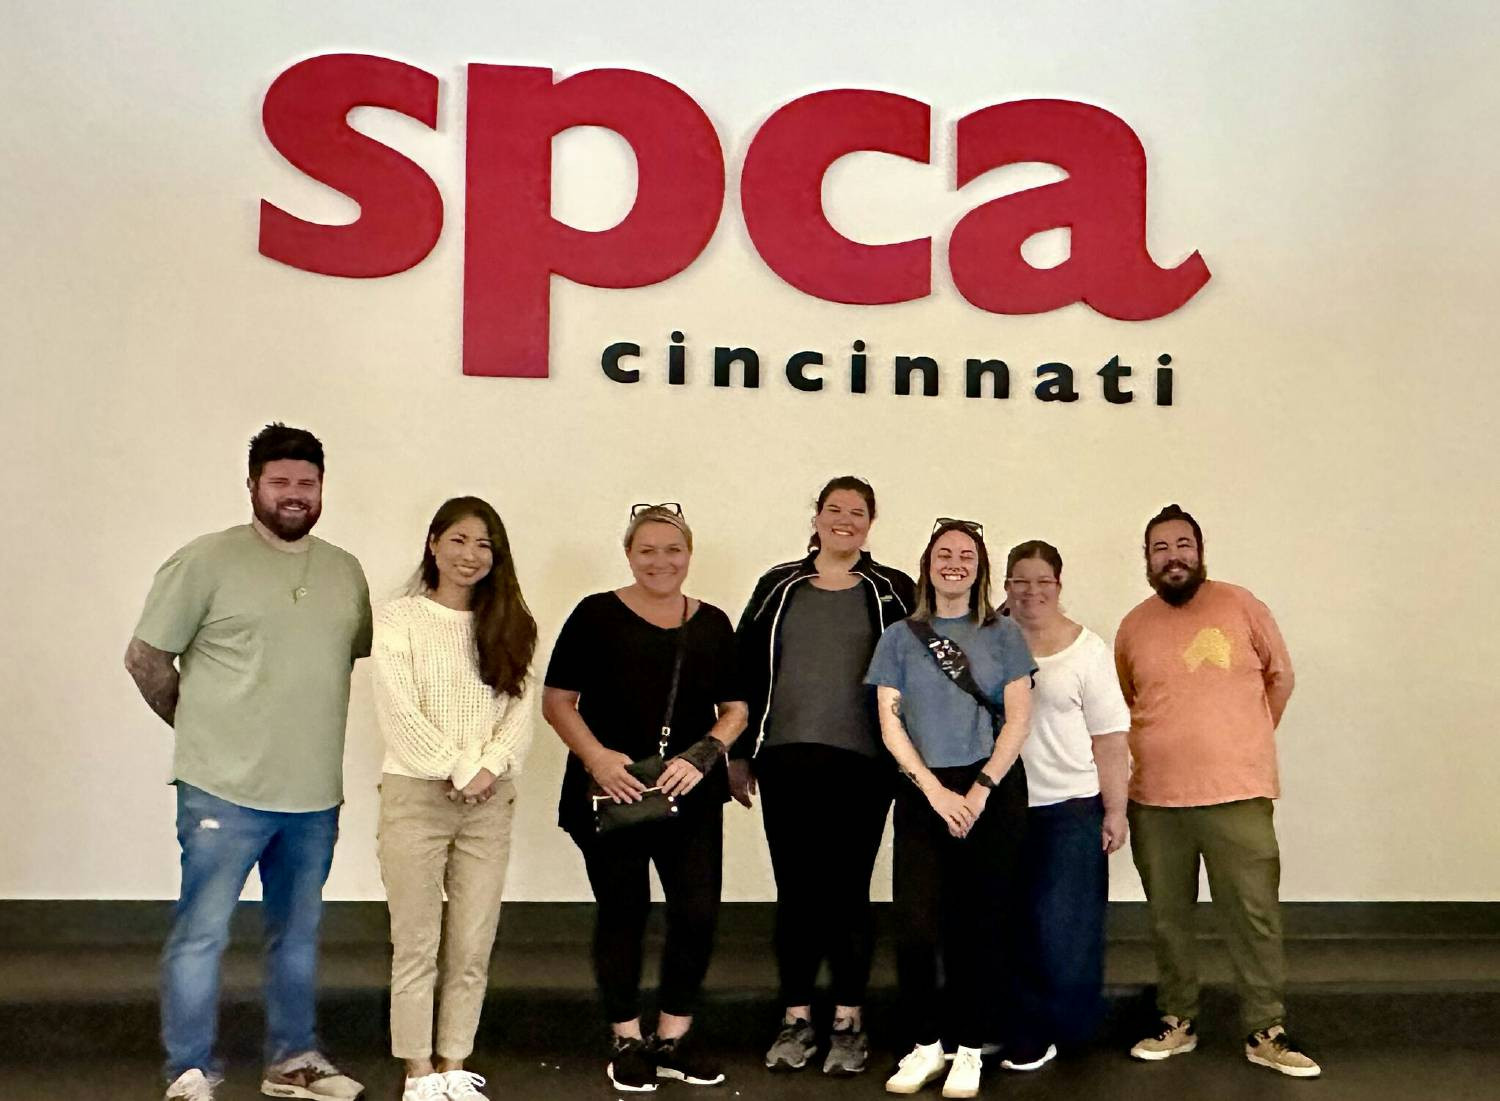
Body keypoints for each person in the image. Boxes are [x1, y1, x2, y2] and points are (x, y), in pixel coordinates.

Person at [123, 424, 371, 1101]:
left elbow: (339, 659)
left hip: (313, 794)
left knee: (297, 936)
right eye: (281, 481)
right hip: (221, 791)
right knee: (201, 933)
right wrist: (201, 727)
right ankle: (189, 1069)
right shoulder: (204, 561)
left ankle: (293, 1060)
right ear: (254, 485)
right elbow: (145, 659)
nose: (295, 495)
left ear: (322, 489)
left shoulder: (345, 571)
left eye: (307, 483)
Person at [541, 504, 748, 1093]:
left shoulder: (712, 623)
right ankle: (627, 1037)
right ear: (629, 554)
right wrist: (599, 759)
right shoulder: (595, 615)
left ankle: (674, 1037)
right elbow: (558, 700)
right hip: (612, 792)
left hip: (689, 794)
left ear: (690, 554)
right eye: (648, 550)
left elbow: (735, 710)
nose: (661, 561)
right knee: (624, 912)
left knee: (697, 913)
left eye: (673, 550)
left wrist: (702, 756)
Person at [1115, 504, 1320, 1078]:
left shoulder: (1241, 605)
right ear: (1147, 560)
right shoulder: (1134, 625)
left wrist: (1241, 743)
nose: (1172, 556)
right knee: (1167, 918)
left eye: (1183, 544)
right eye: (1160, 547)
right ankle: (1176, 1020)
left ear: (1200, 553)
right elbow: (1130, 701)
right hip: (1156, 799)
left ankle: (1265, 1029)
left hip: (1238, 794)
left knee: (1253, 916)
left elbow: (1280, 679)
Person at [732, 476, 915, 1076]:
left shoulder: (891, 591)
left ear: (871, 522)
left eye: (857, 512)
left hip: (864, 765)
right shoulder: (776, 586)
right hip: (783, 759)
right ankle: (796, 1020)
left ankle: (848, 1022)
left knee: (848, 894)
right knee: (797, 894)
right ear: (816, 517)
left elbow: (924, 670)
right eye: (834, 510)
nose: (845, 520)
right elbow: (741, 672)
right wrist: (737, 754)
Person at [371, 497, 538, 1101]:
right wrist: (461, 768)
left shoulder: (514, 624)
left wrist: (488, 768)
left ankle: (453, 1062)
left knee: (472, 942)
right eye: (460, 541)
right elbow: (399, 712)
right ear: (435, 543)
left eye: (484, 545)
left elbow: (520, 716)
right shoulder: (397, 619)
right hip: (417, 795)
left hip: (490, 802)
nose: (471, 556)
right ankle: (417, 1069)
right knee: (416, 942)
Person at [865, 519, 1035, 1099]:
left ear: (980, 568)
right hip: (922, 788)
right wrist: (933, 791)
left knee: (979, 925)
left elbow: (1018, 717)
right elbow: (889, 719)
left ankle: (969, 1049)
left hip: (992, 788)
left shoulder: (1004, 635)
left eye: (966, 554)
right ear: (928, 563)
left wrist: (981, 788)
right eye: (945, 553)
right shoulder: (900, 637)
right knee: (916, 925)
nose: (954, 562)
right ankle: (925, 1045)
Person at [1000, 540, 1130, 1068]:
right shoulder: (989, 640)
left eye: (1042, 582)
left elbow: (1111, 737)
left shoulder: (1087, 650)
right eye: (1019, 581)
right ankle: (1018, 1026)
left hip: (1070, 805)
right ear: (1005, 585)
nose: (1030, 592)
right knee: (1009, 922)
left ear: (1058, 585)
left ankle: (1064, 1030)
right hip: (1002, 805)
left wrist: (1115, 810)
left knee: (1063, 924)